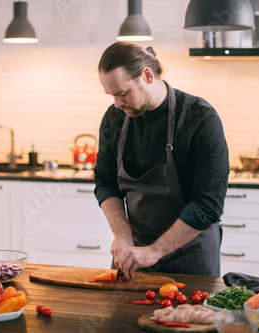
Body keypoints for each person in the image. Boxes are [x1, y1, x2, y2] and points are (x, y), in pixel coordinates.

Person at [94, 41, 229, 279]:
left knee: (189, 316)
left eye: (122, 93)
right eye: (111, 95)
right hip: (134, 252)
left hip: (192, 254)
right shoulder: (114, 118)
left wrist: (155, 251)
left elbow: (208, 204)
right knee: (124, 316)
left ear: (146, 76)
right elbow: (105, 183)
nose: (116, 103)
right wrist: (122, 234)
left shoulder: (200, 118)